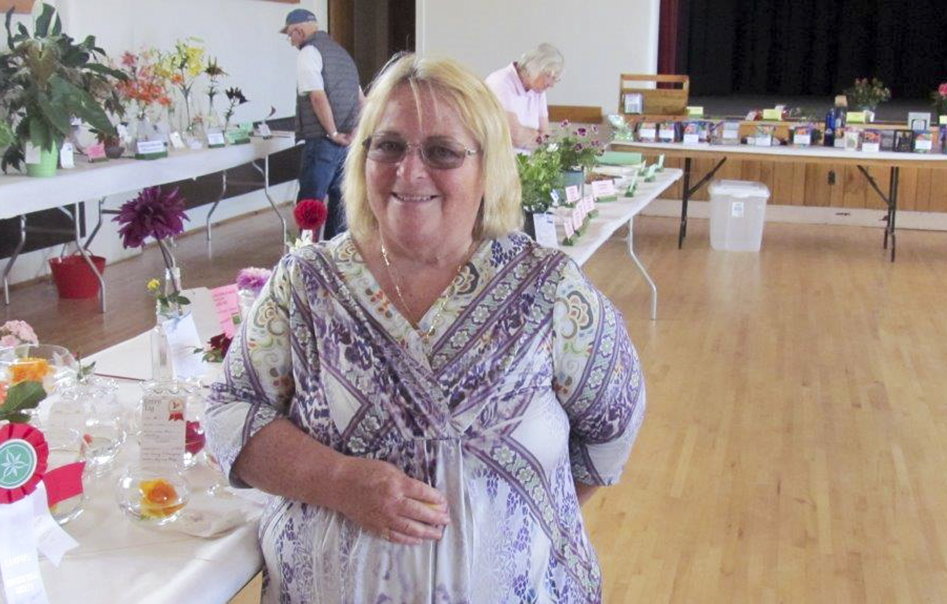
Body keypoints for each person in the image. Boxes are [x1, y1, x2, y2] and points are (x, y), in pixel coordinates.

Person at [206, 53, 645, 603]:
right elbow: (229, 410)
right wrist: (338, 482)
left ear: (489, 168)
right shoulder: (307, 282)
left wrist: (510, 513)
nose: (409, 172)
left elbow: (612, 427)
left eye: (442, 151)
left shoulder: (549, 289)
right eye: (388, 146)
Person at [281, 8, 364, 239]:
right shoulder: (342, 54)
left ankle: (307, 255)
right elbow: (363, 101)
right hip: (347, 142)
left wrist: (333, 132)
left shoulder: (309, 52)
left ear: (298, 30)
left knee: (310, 202)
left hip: (323, 140)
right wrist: (355, 131)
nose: (291, 42)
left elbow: (317, 97)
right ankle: (335, 253)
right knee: (341, 200)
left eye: (290, 35)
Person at [485, 43, 564, 152]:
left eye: (556, 79)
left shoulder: (538, 90)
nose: (552, 84)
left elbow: (545, 135)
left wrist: (527, 134)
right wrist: (535, 133)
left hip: (528, 163)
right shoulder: (500, 82)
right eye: (549, 76)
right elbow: (514, 135)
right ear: (535, 68)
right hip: (502, 162)